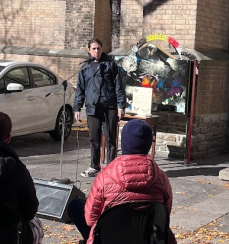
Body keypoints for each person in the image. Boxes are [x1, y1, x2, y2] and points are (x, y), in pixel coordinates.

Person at [68, 119, 176, 244]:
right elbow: (164, 214)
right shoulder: (162, 178)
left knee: (76, 204)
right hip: (146, 238)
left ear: (123, 143)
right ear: (147, 145)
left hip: (109, 238)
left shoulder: (105, 177)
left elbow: (90, 219)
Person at [0, 111, 43, 244]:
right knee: (36, 224)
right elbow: (30, 211)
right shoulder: (17, 169)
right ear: (8, 138)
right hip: (7, 237)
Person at [74, 37, 126, 178]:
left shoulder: (110, 65)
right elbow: (80, 89)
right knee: (94, 138)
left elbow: (118, 86)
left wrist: (121, 105)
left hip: (109, 106)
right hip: (92, 107)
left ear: (102, 49)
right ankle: (94, 165)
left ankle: (111, 167)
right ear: (89, 50)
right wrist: (77, 108)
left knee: (110, 138)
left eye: (99, 48)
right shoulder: (85, 68)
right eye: (94, 49)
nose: (96, 51)